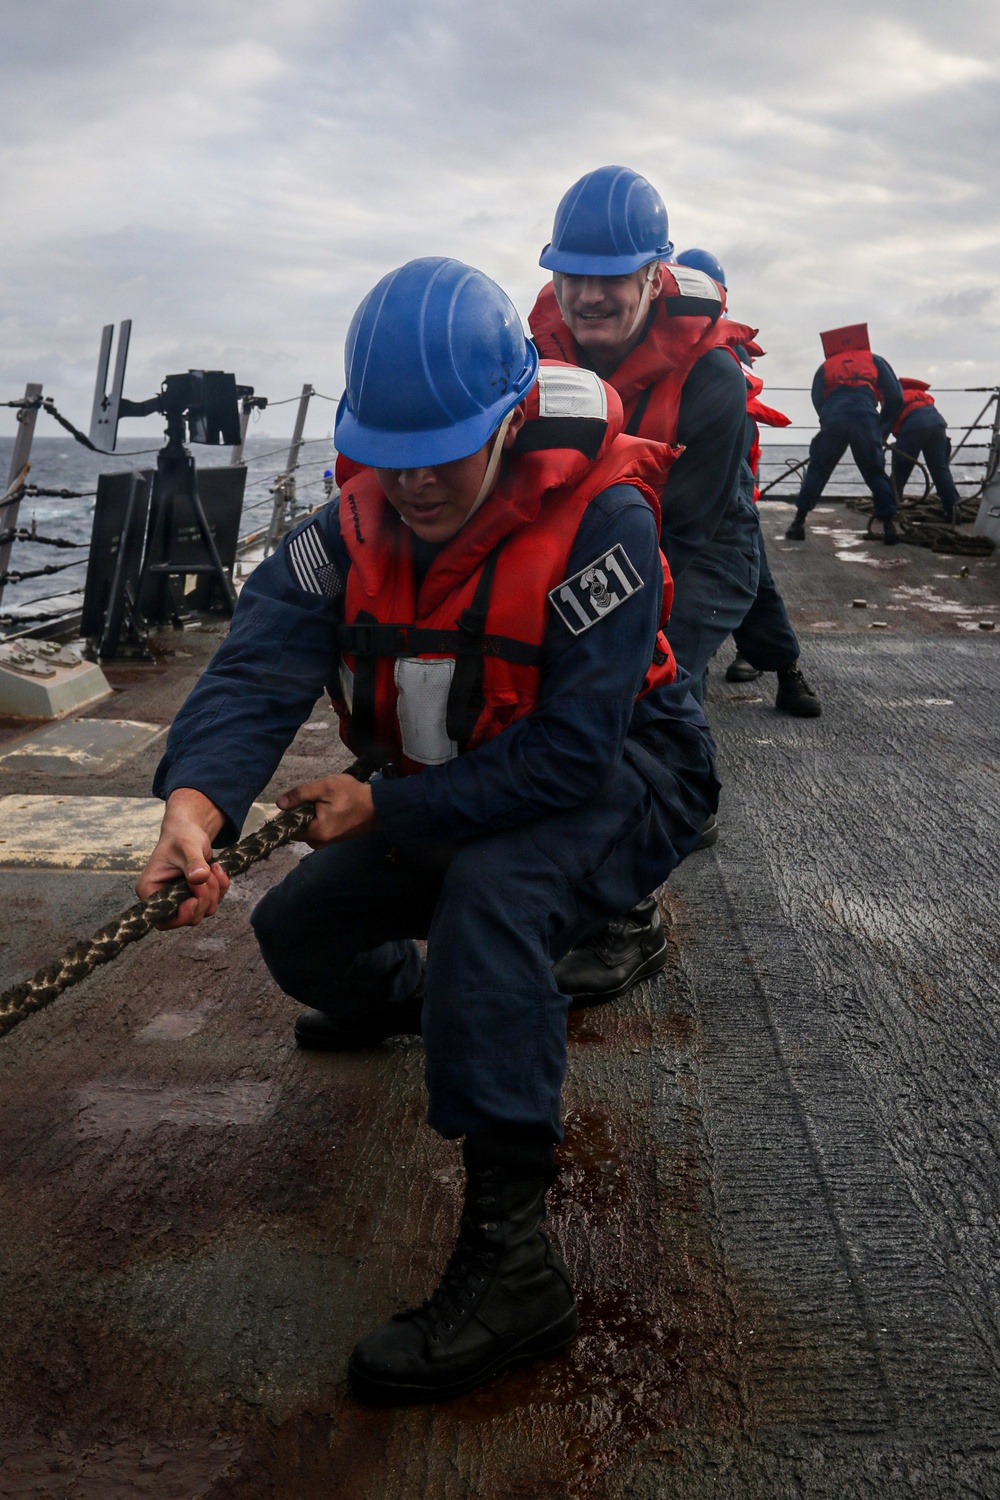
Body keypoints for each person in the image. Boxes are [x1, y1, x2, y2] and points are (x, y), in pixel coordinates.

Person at [136, 257, 719, 1405]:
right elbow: (257, 668)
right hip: (451, 776)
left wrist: (385, 807)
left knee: (491, 905)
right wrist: (195, 805)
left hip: (620, 779)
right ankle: (431, 1003)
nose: (412, 485)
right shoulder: (340, 527)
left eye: (441, 452)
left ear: (508, 415)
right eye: (390, 457)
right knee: (302, 934)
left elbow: (571, 755)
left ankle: (515, 1272)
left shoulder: (603, 525)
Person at [674, 250, 821, 716]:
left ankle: (784, 669)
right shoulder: (669, 340)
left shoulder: (720, 352)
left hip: (727, 480)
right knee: (743, 580)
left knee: (750, 572)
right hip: (685, 476)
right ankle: (773, 666)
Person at [786, 323, 903, 545]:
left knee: (818, 469)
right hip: (865, 418)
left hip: (834, 418)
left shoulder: (826, 366)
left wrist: (827, 419)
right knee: (875, 473)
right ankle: (889, 528)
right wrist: (882, 429)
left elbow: (817, 397)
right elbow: (896, 397)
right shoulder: (875, 360)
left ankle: (798, 524)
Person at [890, 379, 962, 521]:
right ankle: (953, 509)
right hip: (937, 425)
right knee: (940, 469)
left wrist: (880, 439)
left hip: (914, 428)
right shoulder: (922, 395)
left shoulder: (895, 397)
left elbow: (888, 422)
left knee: (901, 468)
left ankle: (890, 507)